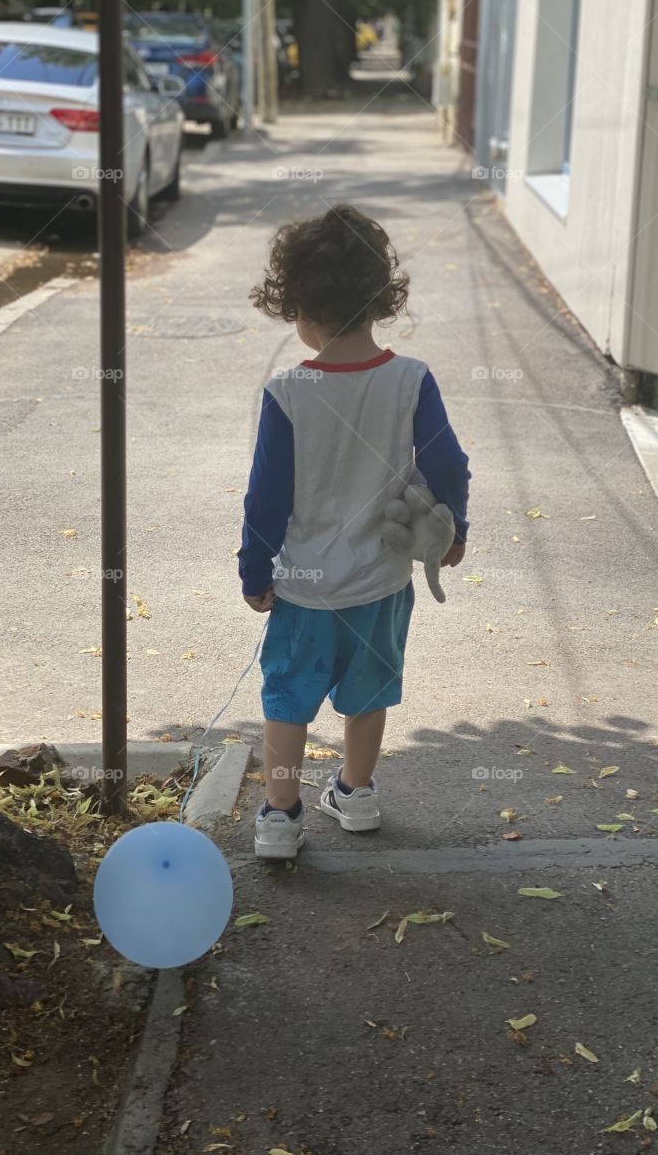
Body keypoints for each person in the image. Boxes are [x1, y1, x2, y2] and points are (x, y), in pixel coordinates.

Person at [238, 204, 470, 859]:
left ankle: (281, 817)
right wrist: (455, 533)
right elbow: (449, 466)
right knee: (368, 692)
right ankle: (356, 792)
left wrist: (254, 572)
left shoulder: (288, 392)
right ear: (380, 298)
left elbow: (267, 498)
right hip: (381, 582)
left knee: (287, 696)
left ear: (299, 306)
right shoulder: (411, 379)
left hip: (305, 587)